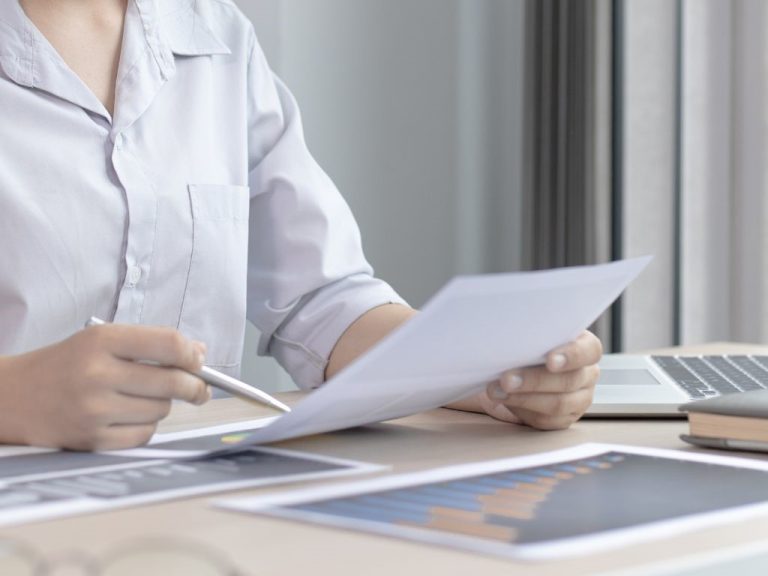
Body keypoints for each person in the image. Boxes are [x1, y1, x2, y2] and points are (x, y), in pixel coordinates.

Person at [0, 0, 602, 451]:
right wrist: (15, 397)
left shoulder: (216, 35)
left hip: (189, 505)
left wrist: (493, 369)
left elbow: (324, 303)